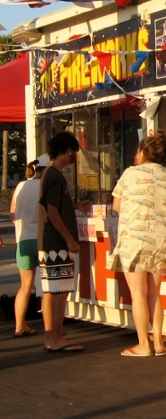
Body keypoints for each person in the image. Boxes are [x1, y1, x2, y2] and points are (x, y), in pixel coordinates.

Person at [108, 132, 166, 357]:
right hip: (161, 240)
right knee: (154, 293)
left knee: (138, 294)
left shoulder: (130, 173)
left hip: (134, 238)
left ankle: (144, 344)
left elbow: (116, 205)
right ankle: (160, 342)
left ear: (142, 153)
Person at [38, 132, 92, 352]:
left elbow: (54, 207)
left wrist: (75, 205)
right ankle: (57, 337)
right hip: (57, 243)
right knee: (60, 291)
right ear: (68, 151)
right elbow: (52, 211)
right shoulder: (55, 177)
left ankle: (51, 337)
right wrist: (69, 239)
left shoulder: (49, 175)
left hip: (48, 241)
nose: (74, 157)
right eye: (74, 152)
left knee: (51, 291)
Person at [9, 155, 49, 337]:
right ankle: (52, 328)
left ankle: (19, 325)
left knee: (25, 286)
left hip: (22, 240)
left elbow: (12, 213)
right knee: (49, 285)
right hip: (41, 239)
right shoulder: (45, 186)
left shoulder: (20, 186)